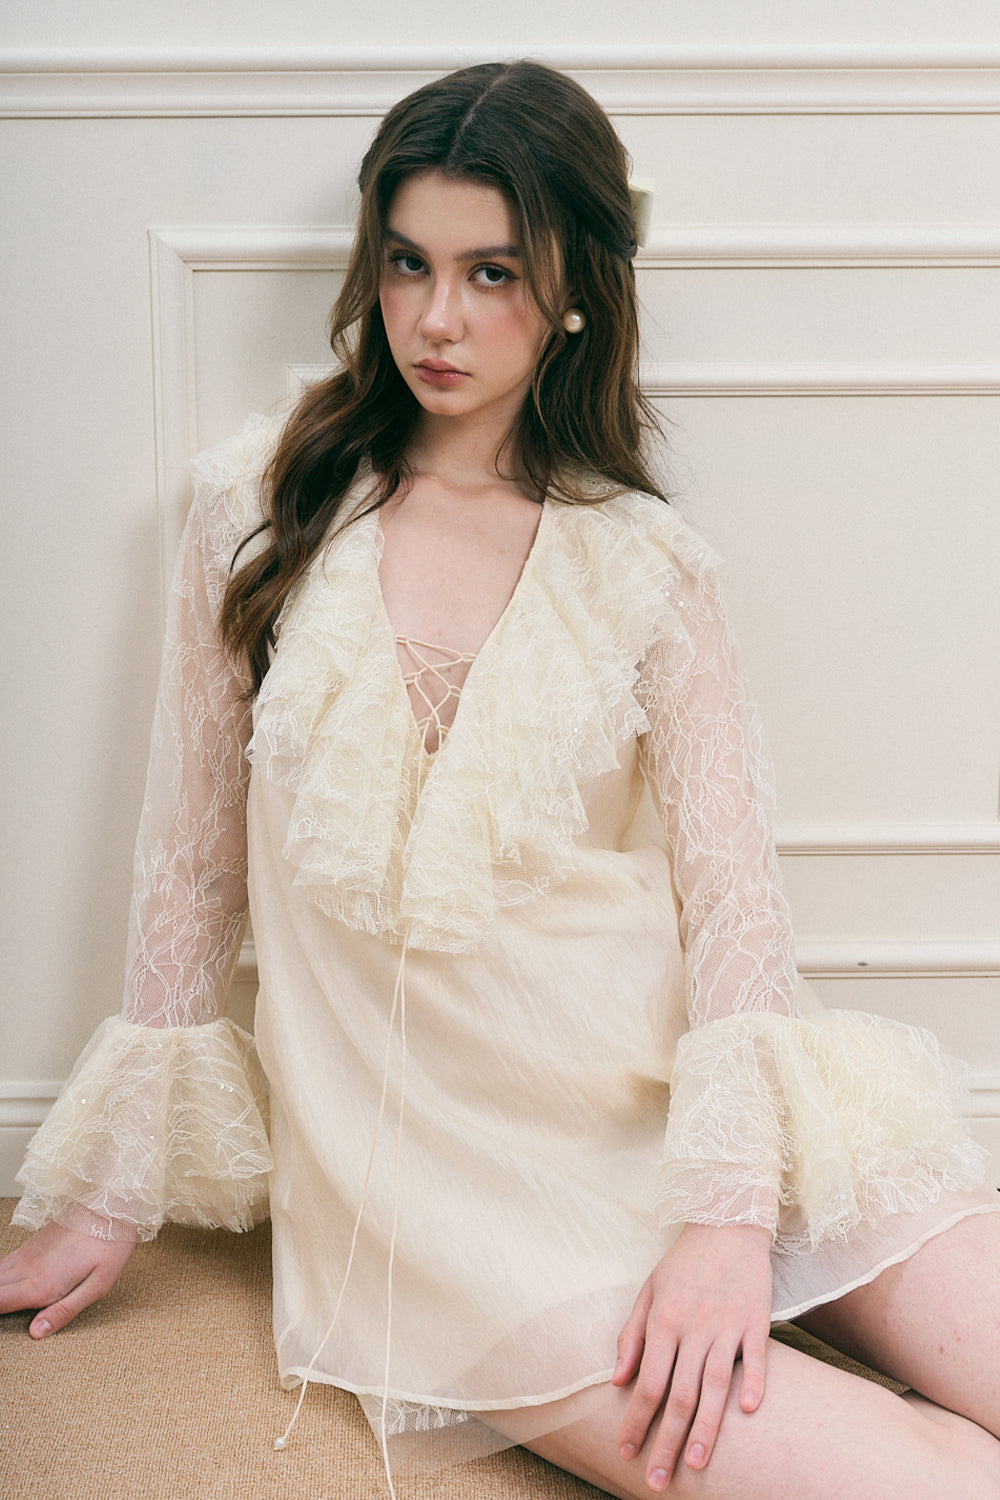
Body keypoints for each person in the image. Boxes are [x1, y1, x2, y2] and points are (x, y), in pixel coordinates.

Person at [1, 60, 998, 1500]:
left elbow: (736, 912)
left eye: (493, 274)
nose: (436, 319)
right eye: (409, 263)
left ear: (575, 286)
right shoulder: (254, 511)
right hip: (455, 1210)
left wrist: (725, 1217)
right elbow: (191, 866)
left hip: (681, 1101)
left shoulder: (646, 562)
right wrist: (106, 1194)